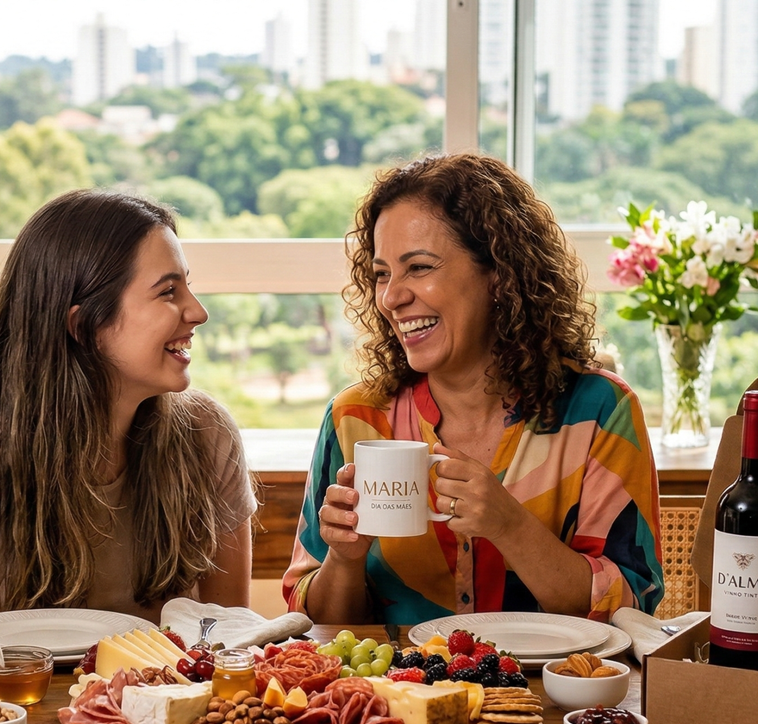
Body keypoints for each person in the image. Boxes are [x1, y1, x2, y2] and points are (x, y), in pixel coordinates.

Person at [283, 153, 663, 626]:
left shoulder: (600, 412)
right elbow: (317, 623)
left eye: (418, 267)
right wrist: (343, 559)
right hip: (399, 697)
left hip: (548, 696)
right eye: (382, 274)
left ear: (500, 274)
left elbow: (633, 605)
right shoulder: (355, 417)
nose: (391, 297)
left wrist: (510, 525)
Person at [0, 189, 255, 620]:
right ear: (84, 323)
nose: (197, 312)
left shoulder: (207, 434)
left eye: (188, 286)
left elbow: (230, 638)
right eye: (168, 291)